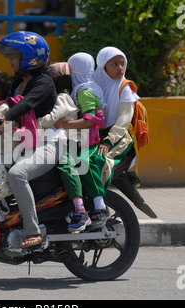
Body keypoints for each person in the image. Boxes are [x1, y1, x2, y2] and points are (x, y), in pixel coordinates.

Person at [0, 31, 58, 248]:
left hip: (48, 142)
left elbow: (27, 104)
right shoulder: (17, 82)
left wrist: (5, 117)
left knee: (17, 174)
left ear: (30, 58)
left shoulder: (43, 82)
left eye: (14, 56)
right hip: (25, 141)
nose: (10, 60)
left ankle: (33, 232)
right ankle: (6, 213)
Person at [53, 52, 107, 232]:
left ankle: (99, 207)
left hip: (88, 139)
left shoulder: (84, 90)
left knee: (78, 164)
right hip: (82, 137)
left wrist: (64, 124)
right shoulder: (91, 86)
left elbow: (89, 120)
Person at [92, 47, 138, 226]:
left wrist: (108, 140)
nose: (120, 68)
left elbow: (124, 120)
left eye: (122, 63)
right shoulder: (93, 84)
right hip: (97, 133)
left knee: (97, 160)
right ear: (103, 66)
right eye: (114, 64)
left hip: (118, 136)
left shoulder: (124, 87)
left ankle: (98, 206)